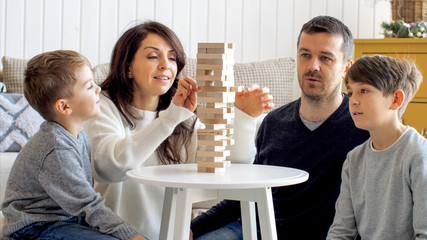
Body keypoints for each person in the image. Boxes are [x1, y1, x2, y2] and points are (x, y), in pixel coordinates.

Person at [84, 21, 273, 240]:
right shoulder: (103, 105)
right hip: (114, 235)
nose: (166, 65)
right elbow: (110, 168)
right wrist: (171, 118)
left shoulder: (182, 116)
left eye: (172, 58)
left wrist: (244, 117)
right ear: (127, 67)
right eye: (153, 56)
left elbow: (231, 167)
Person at [190, 15, 370, 240]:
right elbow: (246, 192)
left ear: (346, 68)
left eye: (325, 58)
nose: (313, 66)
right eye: (306, 55)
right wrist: (193, 228)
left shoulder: (363, 127)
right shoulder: (273, 122)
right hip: (252, 229)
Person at [1, 50, 146, 240]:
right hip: (34, 228)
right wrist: (133, 236)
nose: (98, 89)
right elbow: (88, 204)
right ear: (64, 107)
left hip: (65, 222)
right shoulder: (56, 148)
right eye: (89, 86)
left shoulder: (78, 136)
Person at [326, 55, 427, 239]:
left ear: (396, 99)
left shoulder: (419, 155)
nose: (353, 100)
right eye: (350, 92)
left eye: (364, 90)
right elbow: (341, 231)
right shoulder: (354, 159)